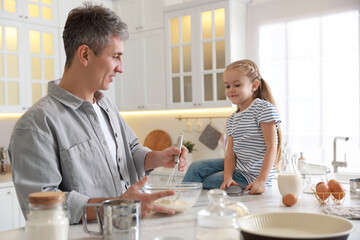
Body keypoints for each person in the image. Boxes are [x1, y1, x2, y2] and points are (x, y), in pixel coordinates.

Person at [8, 3, 188, 224]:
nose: (121, 67)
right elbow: (39, 205)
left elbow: (129, 150)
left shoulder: (105, 104)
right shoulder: (36, 125)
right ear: (85, 54)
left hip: (124, 229)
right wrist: (116, 207)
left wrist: (156, 158)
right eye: (116, 56)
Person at [182, 59, 281, 194]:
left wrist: (261, 181)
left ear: (254, 86)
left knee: (199, 180)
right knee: (195, 168)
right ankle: (180, 201)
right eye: (227, 86)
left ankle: (180, 203)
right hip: (238, 169)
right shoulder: (232, 119)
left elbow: (271, 146)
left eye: (237, 85)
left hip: (250, 177)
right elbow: (230, 154)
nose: (231, 90)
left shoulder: (263, 109)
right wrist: (227, 177)